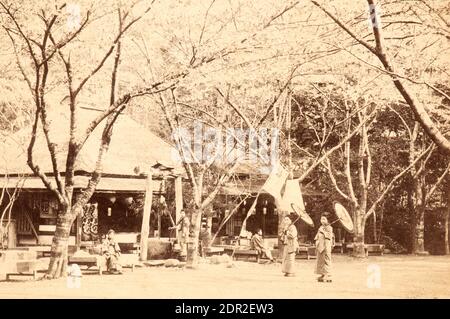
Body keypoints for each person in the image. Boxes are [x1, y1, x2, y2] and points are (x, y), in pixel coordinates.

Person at [314, 212, 335, 282]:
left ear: (328, 220)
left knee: (326, 260)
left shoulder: (329, 228)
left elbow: (329, 236)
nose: (322, 221)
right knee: (320, 260)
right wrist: (317, 241)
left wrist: (323, 231)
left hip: (326, 245)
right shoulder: (321, 227)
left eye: (324, 219)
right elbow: (317, 235)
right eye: (321, 219)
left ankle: (328, 275)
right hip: (320, 245)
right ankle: (322, 274)